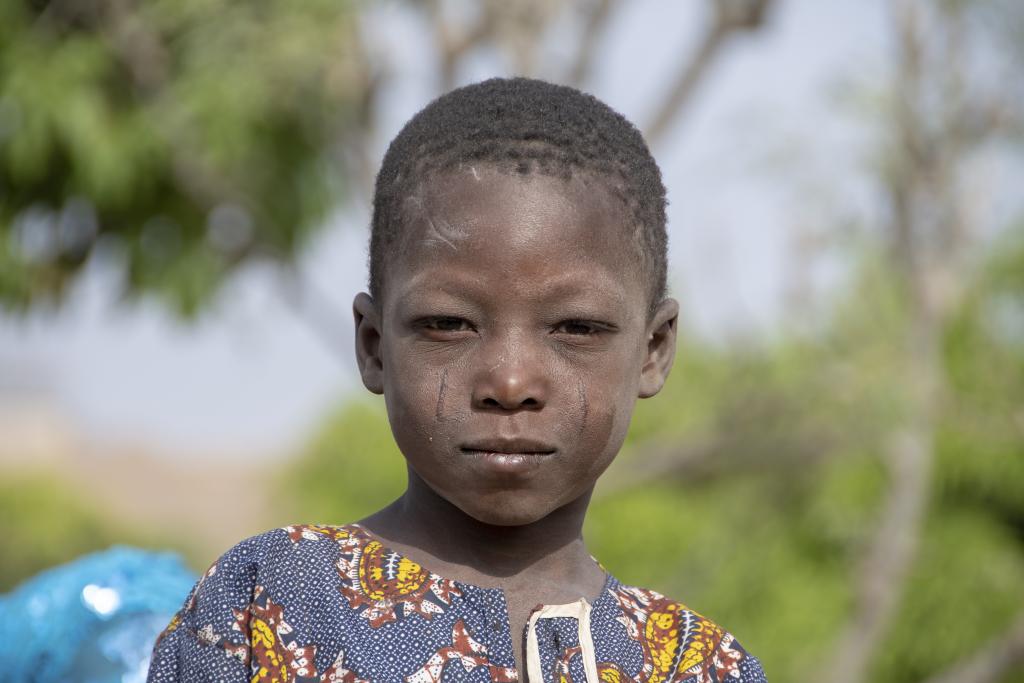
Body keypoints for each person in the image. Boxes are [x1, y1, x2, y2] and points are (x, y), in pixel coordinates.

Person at [147, 77, 768, 683]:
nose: (510, 381)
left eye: (576, 328)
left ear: (653, 350)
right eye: (448, 323)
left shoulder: (700, 665)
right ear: (374, 345)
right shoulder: (274, 600)